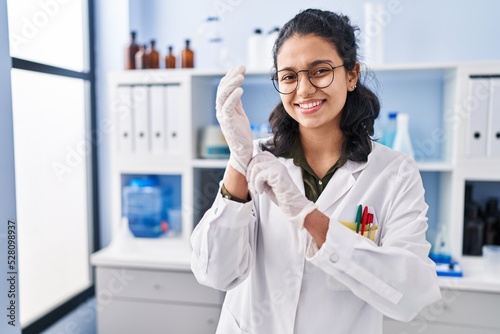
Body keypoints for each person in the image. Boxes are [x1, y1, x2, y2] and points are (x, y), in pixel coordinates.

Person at [191, 8, 441, 334]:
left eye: (320, 71)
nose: (304, 89)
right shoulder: (257, 160)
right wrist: (239, 159)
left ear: (352, 75)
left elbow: (411, 295)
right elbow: (214, 273)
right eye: (289, 76)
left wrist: (308, 216)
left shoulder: (394, 173)